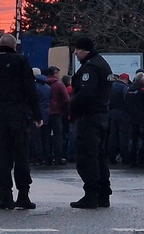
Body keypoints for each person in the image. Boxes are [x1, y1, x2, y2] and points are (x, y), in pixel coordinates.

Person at [0, 33, 42, 210]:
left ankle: (4, 196)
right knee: (21, 157)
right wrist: (37, 114)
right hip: (18, 117)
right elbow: (30, 90)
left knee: (0, 158)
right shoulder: (21, 61)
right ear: (13, 46)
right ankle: (23, 195)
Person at [68, 37, 112, 209]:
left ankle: (91, 194)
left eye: (78, 49)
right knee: (99, 156)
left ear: (85, 50)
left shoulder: (91, 67)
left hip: (88, 117)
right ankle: (103, 194)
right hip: (100, 116)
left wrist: (71, 106)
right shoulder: (102, 64)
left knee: (87, 156)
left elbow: (86, 94)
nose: (75, 53)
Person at [124, 72, 144, 168]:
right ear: (143, 80)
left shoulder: (128, 90)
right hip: (142, 118)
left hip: (131, 117)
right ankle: (141, 159)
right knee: (142, 140)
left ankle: (132, 159)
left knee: (133, 139)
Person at [44, 67, 69, 165]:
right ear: (54, 73)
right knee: (58, 135)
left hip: (45, 113)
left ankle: (46, 157)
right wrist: (63, 109)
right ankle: (58, 157)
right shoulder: (59, 84)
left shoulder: (43, 83)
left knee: (45, 136)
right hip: (57, 113)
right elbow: (66, 99)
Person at [106, 73, 131, 165]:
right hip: (123, 113)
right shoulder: (125, 87)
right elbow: (126, 100)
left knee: (113, 135)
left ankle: (111, 156)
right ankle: (124, 156)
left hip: (112, 112)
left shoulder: (111, 87)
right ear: (126, 79)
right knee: (123, 135)